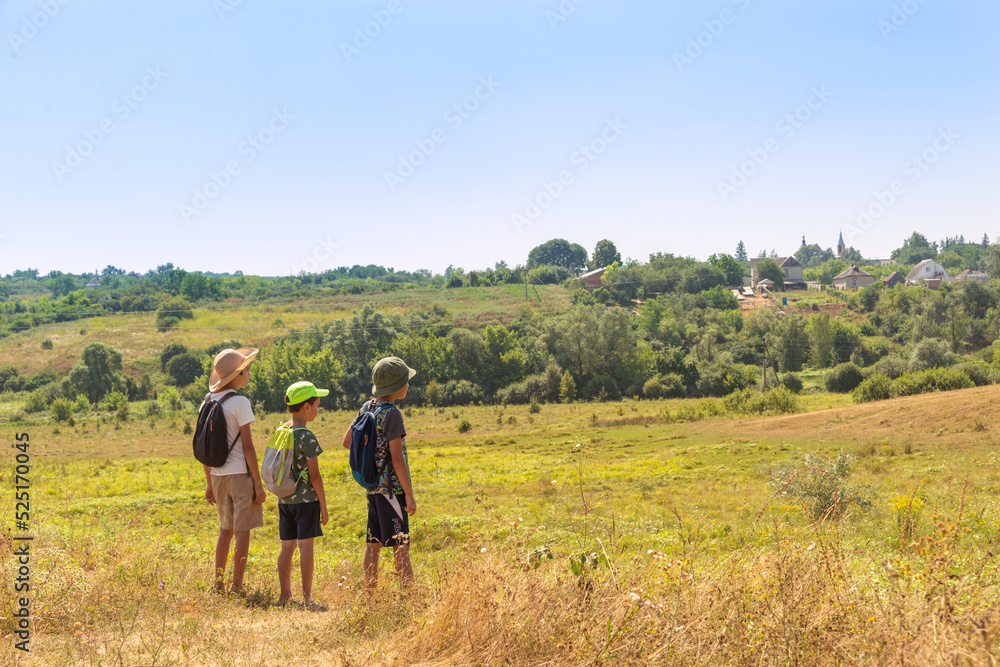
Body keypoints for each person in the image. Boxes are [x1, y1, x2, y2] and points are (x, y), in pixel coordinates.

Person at [342, 356, 417, 591]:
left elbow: (347, 442)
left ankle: (370, 593)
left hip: (373, 489)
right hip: (392, 493)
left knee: (372, 545)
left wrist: (372, 456)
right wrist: (409, 493)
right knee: (400, 544)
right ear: (398, 386)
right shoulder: (392, 414)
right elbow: (396, 459)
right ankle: (410, 595)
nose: (408, 385)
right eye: (406, 380)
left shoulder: (367, 407)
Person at [202, 347, 265, 594]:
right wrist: (257, 484)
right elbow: (248, 447)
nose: (248, 373)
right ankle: (237, 587)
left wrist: (209, 482)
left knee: (224, 531)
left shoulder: (206, 403)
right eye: (246, 370)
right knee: (242, 532)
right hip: (240, 476)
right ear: (236, 376)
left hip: (217, 476)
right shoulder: (240, 402)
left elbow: (204, 449)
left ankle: (218, 584)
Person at [277, 381, 329, 609]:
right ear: (306, 407)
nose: (318, 409)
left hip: (284, 500)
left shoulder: (281, 432)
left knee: (286, 547)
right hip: (306, 501)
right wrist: (324, 507)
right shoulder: (307, 436)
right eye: (317, 404)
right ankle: (307, 599)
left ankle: (284, 596)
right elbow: (315, 476)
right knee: (306, 547)